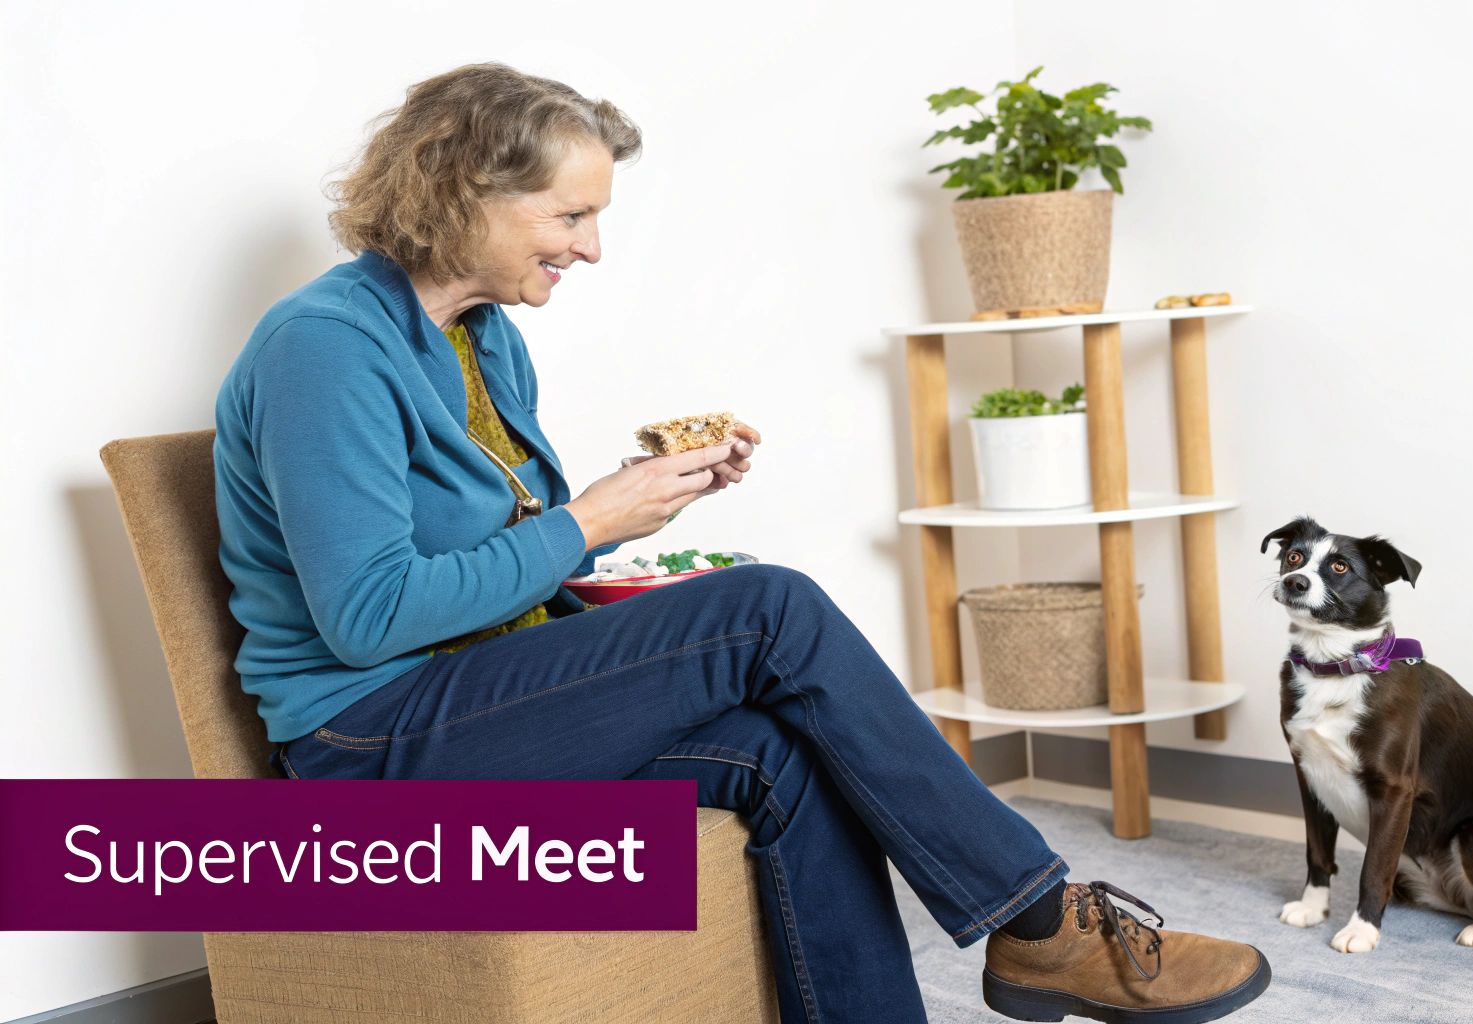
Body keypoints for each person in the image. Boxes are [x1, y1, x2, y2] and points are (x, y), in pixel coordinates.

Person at [212, 62, 1270, 1024]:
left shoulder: (482, 337)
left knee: (780, 753)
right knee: (770, 606)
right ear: (461, 192)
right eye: (570, 214)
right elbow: (368, 618)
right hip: (371, 743)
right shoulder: (326, 347)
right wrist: (591, 518)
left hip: (482, 703)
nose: (590, 246)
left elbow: (507, 558)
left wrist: (642, 507)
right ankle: (1041, 926)